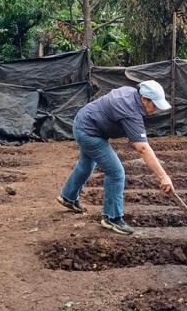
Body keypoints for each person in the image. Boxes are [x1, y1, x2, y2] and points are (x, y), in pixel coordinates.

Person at [56, 80, 174, 235]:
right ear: (144, 99)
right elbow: (143, 148)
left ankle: (68, 197)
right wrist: (163, 176)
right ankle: (112, 218)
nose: (157, 109)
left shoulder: (131, 93)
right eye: (155, 105)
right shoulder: (130, 110)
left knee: (86, 164)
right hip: (89, 132)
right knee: (116, 173)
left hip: (84, 122)